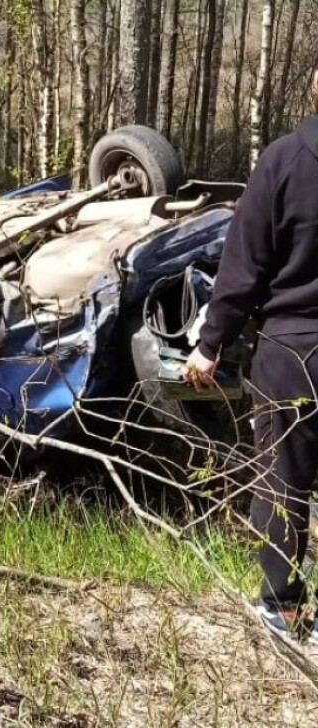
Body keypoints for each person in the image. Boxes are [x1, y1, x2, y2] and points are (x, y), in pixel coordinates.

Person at [185, 68, 318, 641]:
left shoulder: (285, 161)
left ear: (313, 87)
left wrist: (209, 343)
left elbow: (243, 268)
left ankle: (282, 609)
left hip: (292, 349)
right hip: (295, 342)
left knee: (283, 480)